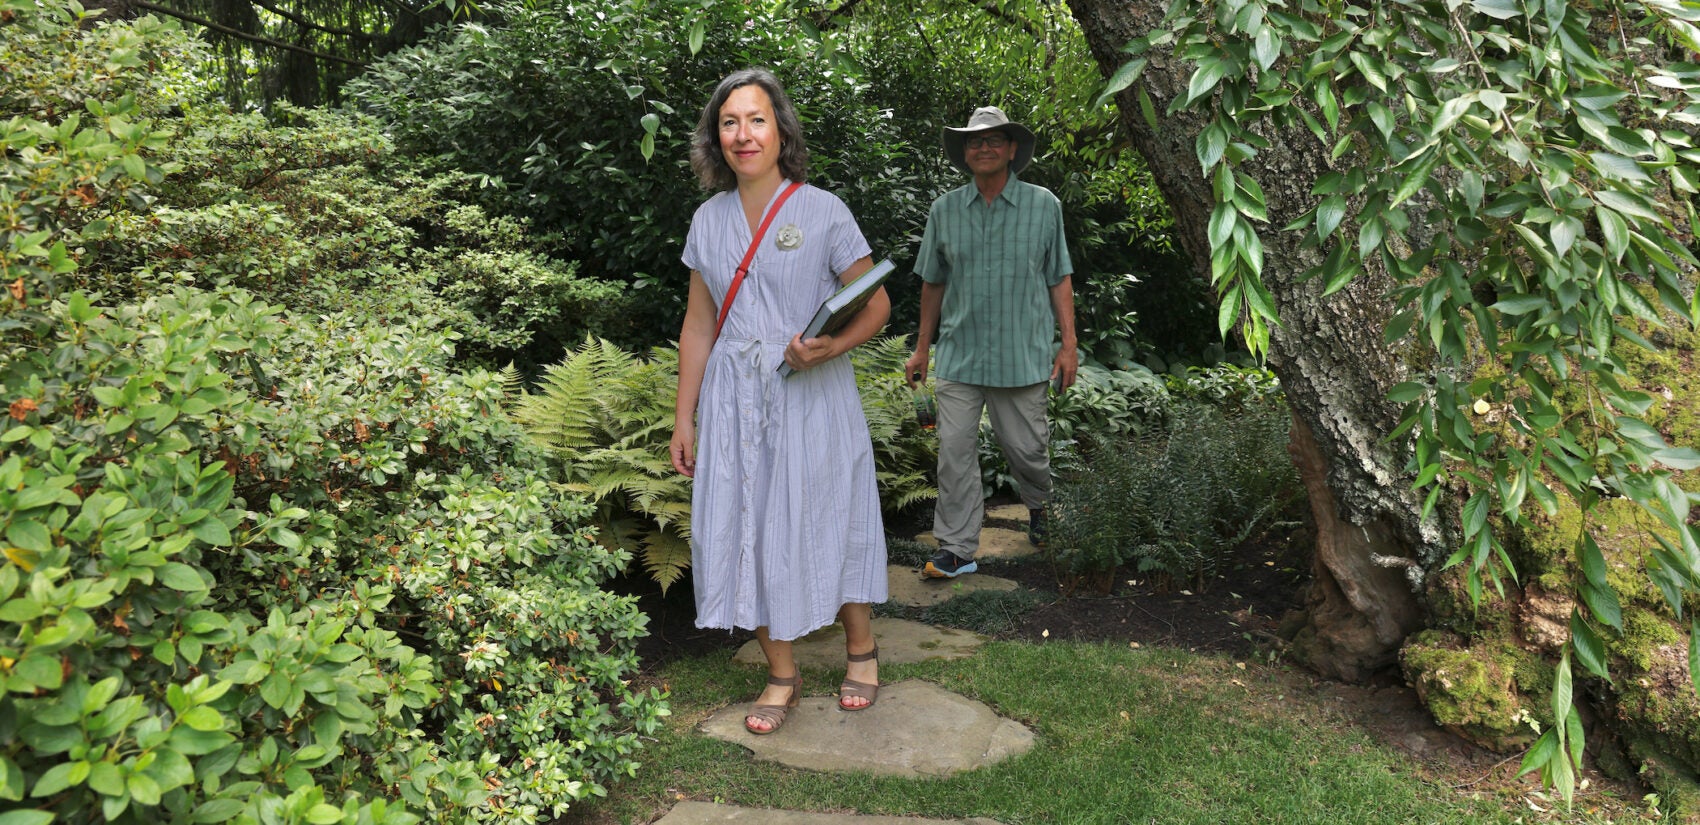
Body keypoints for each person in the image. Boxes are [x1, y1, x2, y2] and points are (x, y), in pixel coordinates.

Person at [671, 68, 890, 735]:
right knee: (747, 523)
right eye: (730, 122)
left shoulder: (823, 210)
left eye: (756, 119)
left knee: (831, 511)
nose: (744, 134)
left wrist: (831, 347)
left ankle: (862, 650)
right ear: (717, 137)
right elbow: (700, 324)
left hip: (812, 394)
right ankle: (782, 672)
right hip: (735, 398)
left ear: (779, 129)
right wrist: (685, 416)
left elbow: (875, 304)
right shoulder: (707, 221)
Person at [904, 106, 1077, 579]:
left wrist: (1069, 345)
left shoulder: (1045, 206)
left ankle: (1039, 506)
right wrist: (922, 348)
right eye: (974, 142)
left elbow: (1059, 277)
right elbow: (932, 283)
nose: (983, 148)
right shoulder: (944, 211)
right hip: (960, 354)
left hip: (1020, 354)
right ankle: (956, 549)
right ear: (965, 153)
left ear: (1012, 149)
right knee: (954, 452)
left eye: (993, 140)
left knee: (1027, 451)